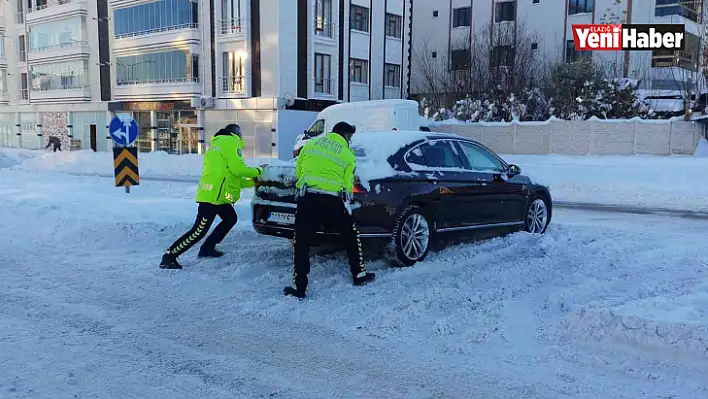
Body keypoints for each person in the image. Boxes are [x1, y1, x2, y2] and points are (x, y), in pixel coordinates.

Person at [284, 121, 376, 299]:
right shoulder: (347, 154)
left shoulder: (310, 145)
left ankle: (299, 287)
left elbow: (299, 170)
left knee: (301, 242)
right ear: (346, 136)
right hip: (331, 200)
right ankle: (359, 274)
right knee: (351, 236)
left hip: (308, 198)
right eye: (350, 137)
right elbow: (347, 186)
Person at [160, 123, 264, 269]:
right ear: (237, 134)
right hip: (213, 196)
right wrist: (259, 171)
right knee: (198, 230)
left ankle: (208, 248)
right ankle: (169, 255)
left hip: (219, 195)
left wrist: (253, 182)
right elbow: (238, 169)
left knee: (230, 218)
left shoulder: (219, 144)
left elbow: (233, 176)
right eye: (241, 134)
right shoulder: (231, 143)